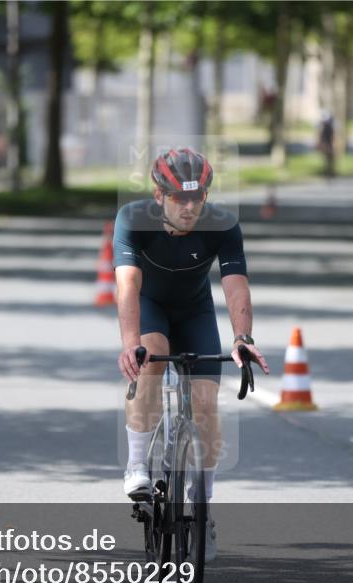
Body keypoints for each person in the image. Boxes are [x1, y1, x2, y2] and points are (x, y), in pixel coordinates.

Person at [114, 147, 270, 561]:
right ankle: (137, 466)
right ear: (158, 194)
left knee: (205, 403)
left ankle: (202, 505)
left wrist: (242, 338)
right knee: (155, 353)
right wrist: (132, 343)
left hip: (195, 311)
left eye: (196, 199)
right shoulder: (133, 220)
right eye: (179, 199)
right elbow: (127, 285)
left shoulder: (222, 225)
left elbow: (235, 285)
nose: (188, 208)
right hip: (151, 307)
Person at [317, 112, 335, 177]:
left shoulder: (329, 127)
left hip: (329, 145)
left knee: (330, 159)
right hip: (326, 144)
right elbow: (321, 137)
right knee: (326, 159)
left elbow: (332, 137)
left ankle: (330, 171)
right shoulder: (323, 127)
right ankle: (327, 171)